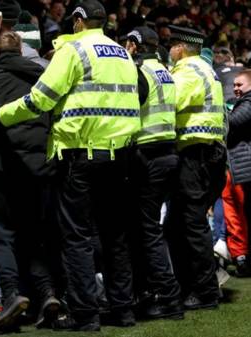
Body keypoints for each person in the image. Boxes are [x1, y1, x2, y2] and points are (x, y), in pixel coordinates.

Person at [0, 0, 140, 331]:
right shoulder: (123, 54)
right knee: (115, 236)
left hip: (80, 155)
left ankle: (86, 314)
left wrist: (3, 114)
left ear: (78, 21)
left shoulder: (74, 51)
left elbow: (41, 98)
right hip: (120, 155)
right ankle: (123, 310)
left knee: (76, 237)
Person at [0, 31, 58, 333]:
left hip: (0, 164)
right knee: (34, 234)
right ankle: (46, 295)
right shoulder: (41, 75)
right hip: (37, 165)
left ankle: (10, 296)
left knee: (3, 233)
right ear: (21, 50)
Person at [164, 25, 227, 310]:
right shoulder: (204, 68)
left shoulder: (187, 71)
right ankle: (195, 286)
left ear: (180, 47)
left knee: (192, 225)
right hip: (208, 154)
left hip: (194, 155)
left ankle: (205, 291)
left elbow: (170, 103)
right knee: (184, 224)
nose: (169, 51)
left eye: (171, 45)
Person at [123, 26, 183, 319]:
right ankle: (153, 292)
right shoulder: (164, 70)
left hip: (148, 156)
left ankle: (168, 298)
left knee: (147, 230)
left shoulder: (139, 71)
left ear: (134, 44)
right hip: (169, 154)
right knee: (147, 227)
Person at [224, 69, 251, 276]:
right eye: (234, 85)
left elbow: (232, 122)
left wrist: (218, 110)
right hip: (241, 166)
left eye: (240, 85)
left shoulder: (249, 103)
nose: (235, 88)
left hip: (245, 166)